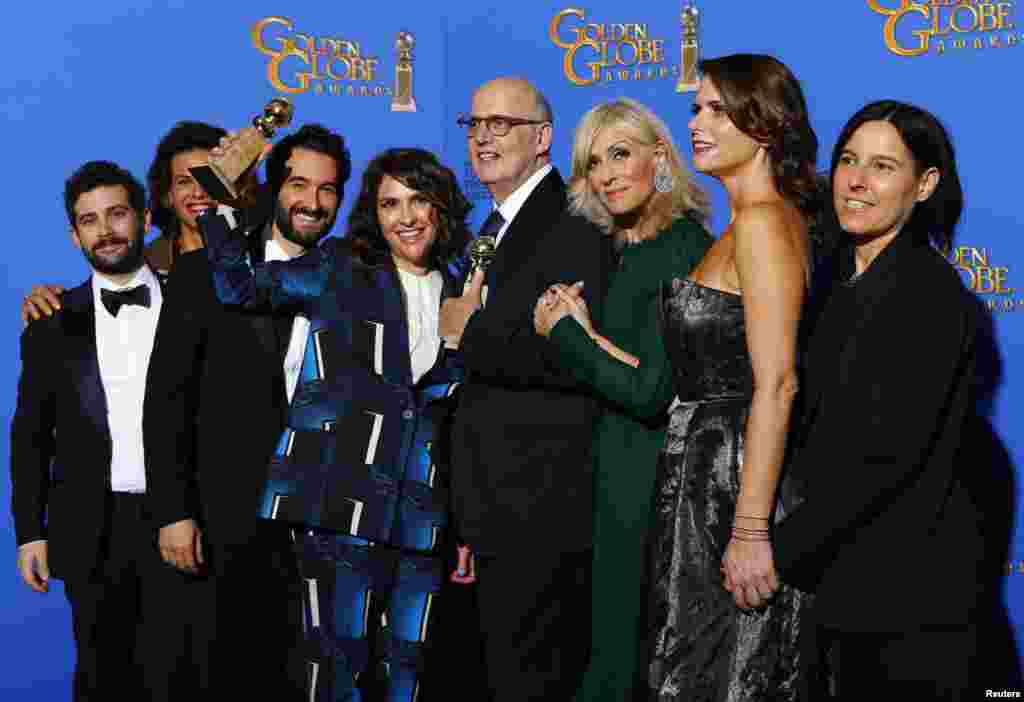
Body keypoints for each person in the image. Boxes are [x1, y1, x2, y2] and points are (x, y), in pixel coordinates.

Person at [535, 55, 820, 700]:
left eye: (717, 110)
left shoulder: (765, 224)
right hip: (699, 480)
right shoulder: (741, 226)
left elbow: (777, 385)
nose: (696, 123)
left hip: (730, 489)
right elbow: (696, 369)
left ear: (765, 124)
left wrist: (750, 530)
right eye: (697, 108)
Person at [199, 143, 473, 702]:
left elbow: (459, 419)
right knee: (335, 669)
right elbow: (241, 287)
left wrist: (465, 524)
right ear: (375, 213)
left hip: (422, 512)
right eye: (390, 203)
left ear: (441, 208)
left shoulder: (466, 285)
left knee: (409, 671)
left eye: (419, 200)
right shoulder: (341, 268)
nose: (406, 217)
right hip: (337, 502)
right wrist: (218, 210)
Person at [771, 101, 992, 698]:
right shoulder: (830, 279)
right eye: (848, 160)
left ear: (925, 185)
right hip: (837, 590)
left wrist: (774, 551)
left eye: (883, 166)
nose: (858, 181)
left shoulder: (932, 300)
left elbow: (883, 458)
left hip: (908, 609)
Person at [532, 97, 712, 701]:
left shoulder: (681, 247)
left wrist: (564, 332)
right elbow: (634, 361)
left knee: (623, 666)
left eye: (619, 154)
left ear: (659, 157)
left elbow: (649, 390)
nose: (605, 175)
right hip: (613, 477)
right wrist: (584, 331)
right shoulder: (627, 251)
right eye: (591, 163)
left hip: (650, 479)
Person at [437, 76, 610, 701]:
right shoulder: (495, 225)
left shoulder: (574, 222)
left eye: (501, 124)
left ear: (543, 139)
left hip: (540, 508)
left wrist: (467, 335)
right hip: (493, 507)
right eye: (475, 123)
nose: (484, 136)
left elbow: (568, 355)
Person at [10, 160, 208, 700]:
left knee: (180, 679)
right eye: (89, 220)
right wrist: (31, 528)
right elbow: (31, 433)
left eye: (117, 214)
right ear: (74, 235)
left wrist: (187, 510)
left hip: (184, 521)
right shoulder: (50, 320)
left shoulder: (192, 307)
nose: (106, 231)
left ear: (145, 219)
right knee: (100, 680)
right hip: (89, 528)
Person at [20, 121, 227, 320]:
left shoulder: (255, 249)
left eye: (210, 178)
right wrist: (45, 302)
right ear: (168, 194)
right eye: (184, 182)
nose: (199, 192)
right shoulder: (145, 263)